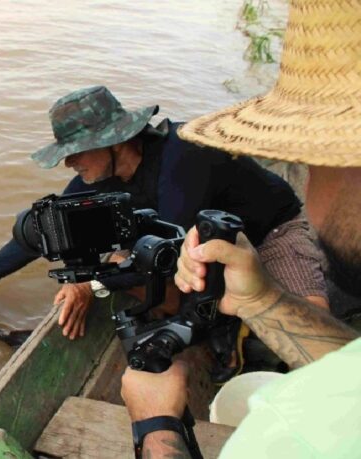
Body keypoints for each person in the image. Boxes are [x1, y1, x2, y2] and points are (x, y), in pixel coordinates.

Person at [120, 0, 361, 456]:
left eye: (314, 160)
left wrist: (156, 426)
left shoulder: (285, 437)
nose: (308, 183)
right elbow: (351, 377)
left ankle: (235, 344)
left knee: (310, 297)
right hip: (236, 256)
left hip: (274, 233)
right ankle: (231, 334)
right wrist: (262, 300)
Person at [0, 85, 328, 346]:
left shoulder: (183, 154)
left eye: (77, 151)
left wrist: (90, 283)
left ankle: (225, 328)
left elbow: (166, 243)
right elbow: (46, 231)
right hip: (201, 252)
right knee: (133, 272)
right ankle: (214, 331)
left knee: (309, 329)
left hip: (268, 234)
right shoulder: (97, 174)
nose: (69, 162)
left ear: (114, 141)